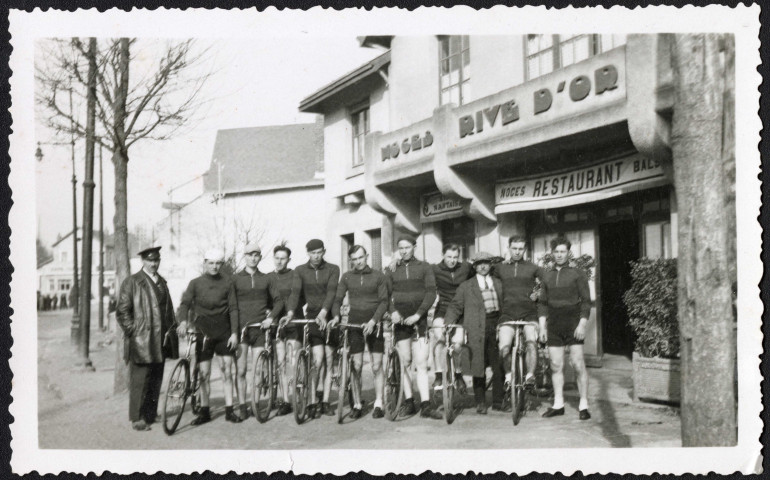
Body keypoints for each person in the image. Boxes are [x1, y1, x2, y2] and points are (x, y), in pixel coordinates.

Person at [115, 246, 178, 431]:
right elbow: (122, 311)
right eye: (150, 260)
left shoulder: (162, 282)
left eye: (156, 260)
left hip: (161, 340)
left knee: (156, 379)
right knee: (140, 380)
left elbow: (169, 310)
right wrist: (134, 332)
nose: (154, 264)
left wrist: (172, 330)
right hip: (142, 340)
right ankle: (137, 418)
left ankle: (150, 414)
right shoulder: (132, 282)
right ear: (143, 261)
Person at [177, 249, 242, 425]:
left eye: (217, 263)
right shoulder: (195, 283)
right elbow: (185, 304)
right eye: (210, 263)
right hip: (203, 331)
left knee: (227, 370)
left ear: (221, 264)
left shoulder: (227, 283)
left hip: (223, 330)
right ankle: (204, 411)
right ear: (204, 263)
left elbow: (234, 308)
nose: (214, 266)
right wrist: (183, 322)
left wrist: (235, 333)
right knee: (204, 373)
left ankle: (229, 410)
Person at [385, 236, 442, 419]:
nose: (403, 251)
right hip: (400, 322)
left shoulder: (425, 267)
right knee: (405, 362)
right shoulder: (391, 269)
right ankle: (409, 402)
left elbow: (431, 292)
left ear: (414, 247)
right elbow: (385, 295)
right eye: (400, 248)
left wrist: (418, 314)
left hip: (419, 321)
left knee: (422, 362)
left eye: (407, 247)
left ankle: (425, 405)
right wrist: (392, 311)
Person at [329, 245, 389, 419]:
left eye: (360, 257)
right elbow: (338, 299)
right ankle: (356, 403)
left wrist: (373, 321)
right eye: (354, 259)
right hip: (354, 324)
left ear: (367, 256)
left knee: (377, 365)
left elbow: (384, 301)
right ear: (351, 260)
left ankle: (379, 402)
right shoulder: (347, 277)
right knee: (356, 366)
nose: (358, 262)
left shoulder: (378, 276)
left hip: (374, 323)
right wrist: (336, 316)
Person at [443, 251, 505, 414]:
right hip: (476, 328)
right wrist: (449, 322)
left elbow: (505, 303)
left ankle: (499, 401)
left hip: (496, 325)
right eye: (479, 263)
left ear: (490, 265)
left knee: (499, 365)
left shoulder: (498, 283)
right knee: (479, 365)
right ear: (475, 266)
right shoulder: (467, 286)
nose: (483, 266)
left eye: (486, 263)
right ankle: (481, 402)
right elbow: (456, 306)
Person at [538, 236, 592, 420]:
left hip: (573, 321)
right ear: (552, 253)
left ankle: (583, 404)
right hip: (554, 323)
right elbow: (543, 303)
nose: (559, 255)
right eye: (556, 252)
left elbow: (586, 301)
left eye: (563, 251)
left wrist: (582, 324)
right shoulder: (546, 275)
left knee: (577, 364)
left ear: (568, 253)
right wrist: (542, 327)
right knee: (555, 365)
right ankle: (558, 404)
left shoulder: (578, 273)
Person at [286, 239, 340, 418]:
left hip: (329, 316)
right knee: (317, 359)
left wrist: (324, 313)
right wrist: (290, 312)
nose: (316, 256)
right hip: (312, 317)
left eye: (319, 252)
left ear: (324, 251)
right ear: (307, 253)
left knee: (329, 359)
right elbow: (295, 293)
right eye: (312, 253)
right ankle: (311, 401)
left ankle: (325, 401)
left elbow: (332, 292)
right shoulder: (300, 271)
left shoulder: (333, 269)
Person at [233, 242, 284, 421]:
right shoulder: (236, 278)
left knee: (257, 369)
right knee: (240, 370)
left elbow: (279, 301)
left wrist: (270, 318)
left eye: (256, 255)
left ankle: (255, 403)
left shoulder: (267, 278)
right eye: (249, 255)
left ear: (260, 257)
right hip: (241, 330)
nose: (253, 258)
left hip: (260, 329)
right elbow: (231, 305)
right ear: (244, 257)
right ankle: (242, 405)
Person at [494, 236, 546, 398]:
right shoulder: (499, 268)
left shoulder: (532, 267)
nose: (517, 252)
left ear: (525, 249)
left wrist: (539, 292)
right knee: (504, 347)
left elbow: (549, 281)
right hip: (507, 313)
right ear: (509, 248)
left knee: (531, 341)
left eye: (520, 248)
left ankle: (530, 376)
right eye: (514, 248)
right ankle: (509, 377)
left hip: (529, 312)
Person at [430, 244, 473, 394]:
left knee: (458, 344)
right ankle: (438, 374)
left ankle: (458, 374)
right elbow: (420, 272)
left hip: (460, 311)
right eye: (449, 257)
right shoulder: (435, 269)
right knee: (440, 337)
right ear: (443, 255)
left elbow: (484, 270)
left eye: (455, 257)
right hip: (443, 308)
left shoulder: (466, 268)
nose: (452, 260)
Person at [269, 245, 299, 416]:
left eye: (283, 258)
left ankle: (296, 396)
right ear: (273, 258)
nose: (280, 261)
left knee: (293, 361)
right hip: (277, 324)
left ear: (288, 260)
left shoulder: (294, 275)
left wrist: (291, 313)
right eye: (277, 258)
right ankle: (285, 400)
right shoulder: (269, 277)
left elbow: (296, 294)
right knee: (280, 362)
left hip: (293, 322)